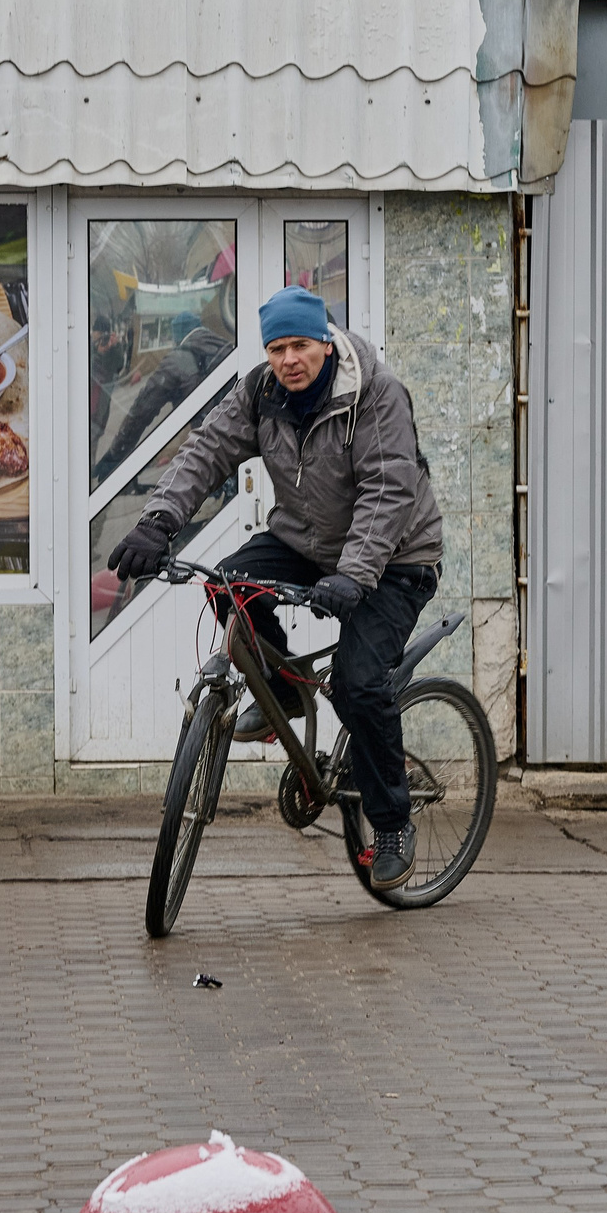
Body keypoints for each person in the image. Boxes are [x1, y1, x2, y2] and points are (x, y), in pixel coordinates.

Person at [107, 286, 442, 889]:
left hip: (395, 558)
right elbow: (206, 452)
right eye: (276, 347)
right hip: (309, 542)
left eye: (300, 345)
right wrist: (157, 522)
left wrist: (354, 576)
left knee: (359, 682)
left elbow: (388, 491)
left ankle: (392, 822)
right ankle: (284, 691)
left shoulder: (373, 393)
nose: (288, 359)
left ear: (325, 341)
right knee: (231, 584)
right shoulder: (261, 391)